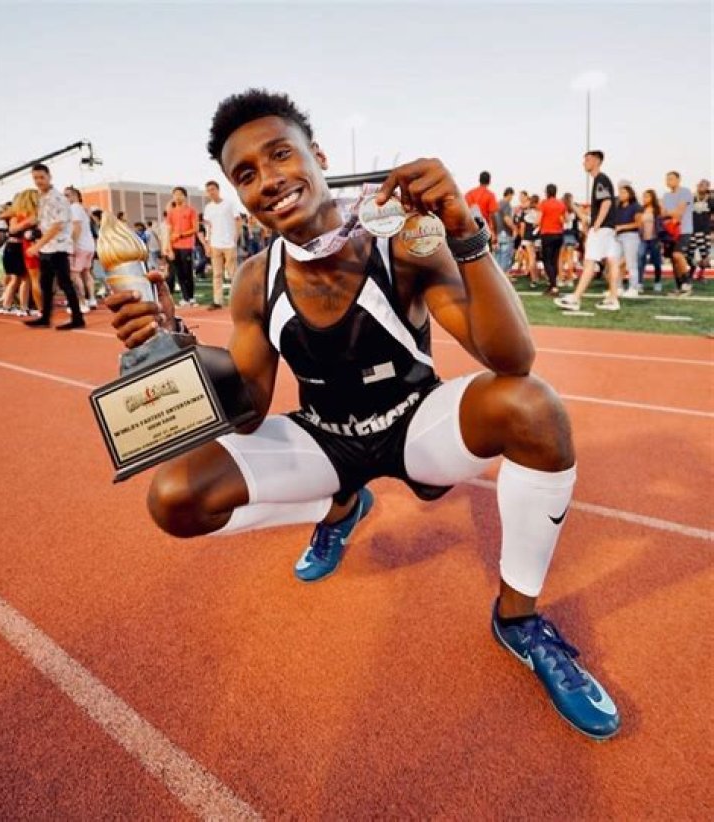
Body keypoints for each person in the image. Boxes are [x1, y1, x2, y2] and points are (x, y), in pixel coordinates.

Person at [106, 89, 620, 740]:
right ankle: (339, 506)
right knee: (176, 498)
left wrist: (465, 233)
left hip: (416, 424)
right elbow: (250, 412)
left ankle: (518, 619)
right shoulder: (256, 279)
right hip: (329, 438)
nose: (268, 180)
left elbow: (511, 357)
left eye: (280, 154)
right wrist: (183, 353)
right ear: (239, 195)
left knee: (533, 406)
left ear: (318, 157)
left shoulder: (400, 241)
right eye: (246, 174)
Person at [555, 151, 620, 312]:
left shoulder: (600, 179)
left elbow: (606, 202)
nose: (584, 163)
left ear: (597, 161)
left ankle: (575, 298)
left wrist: (596, 224)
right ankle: (613, 298)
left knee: (589, 262)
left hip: (602, 228)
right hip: (608, 228)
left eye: (588, 159)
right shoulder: (601, 180)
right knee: (612, 262)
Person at [24, 164, 84, 329]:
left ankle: (77, 318)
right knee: (45, 283)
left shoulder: (58, 198)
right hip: (46, 248)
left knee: (65, 283)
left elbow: (57, 226)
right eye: (35, 178)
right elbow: (43, 222)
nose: (38, 181)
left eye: (41, 177)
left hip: (58, 247)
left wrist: (37, 246)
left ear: (49, 177)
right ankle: (45, 317)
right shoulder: (42, 198)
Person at [203, 180, 238, 310]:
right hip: (215, 243)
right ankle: (217, 301)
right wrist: (207, 243)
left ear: (218, 190)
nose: (211, 192)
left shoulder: (229, 204)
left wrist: (235, 238)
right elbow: (208, 226)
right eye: (208, 190)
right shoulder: (208, 208)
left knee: (232, 273)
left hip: (229, 243)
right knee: (217, 274)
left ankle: (236, 299)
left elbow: (237, 220)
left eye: (213, 189)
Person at [65, 186, 97, 312]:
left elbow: (76, 227)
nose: (64, 198)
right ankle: (92, 299)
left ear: (75, 196)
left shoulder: (74, 208)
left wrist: (72, 244)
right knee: (86, 273)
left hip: (79, 246)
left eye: (67, 195)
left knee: (74, 274)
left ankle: (81, 303)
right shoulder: (83, 209)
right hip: (88, 246)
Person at [661, 171, 693, 295]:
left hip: (684, 230)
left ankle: (687, 282)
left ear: (678, 180)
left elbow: (679, 213)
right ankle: (679, 287)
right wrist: (670, 213)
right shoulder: (666, 196)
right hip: (669, 231)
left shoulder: (685, 192)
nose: (668, 181)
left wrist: (669, 213)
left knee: (677, 255)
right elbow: (662, 213)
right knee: (673, 260)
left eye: (671, 178)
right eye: (667, 179)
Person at [165, 187, 198, 306]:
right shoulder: (171, 213)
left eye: (180, 194)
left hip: (187, 246)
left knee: (188, 271)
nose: (177, 197)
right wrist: (169, 248)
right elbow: (168, 231)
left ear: (185, 196)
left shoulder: (191, 211)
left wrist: (180, 235)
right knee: (179, 273)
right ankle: (185, 297)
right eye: (175, 195)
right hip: (175, 247)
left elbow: (195, 229)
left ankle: (191, 297)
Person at [537, 184, 566, 296]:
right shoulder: (561, 204)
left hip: (547, 234)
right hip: (559, 234)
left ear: (547, 192)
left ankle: (553, 286)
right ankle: (552, 285)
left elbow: (538, 220)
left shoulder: (544, 203)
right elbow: (564, 220)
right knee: (554, 260)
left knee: (547, 261)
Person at [614, 184, 642, 297]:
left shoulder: (636, 207)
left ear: (630, 194)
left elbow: (638, 223)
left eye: (623, 192)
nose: (621, 195)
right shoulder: (618, 207)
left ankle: (633, 288)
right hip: (618, 236)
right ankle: (618, 287)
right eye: (620, 192)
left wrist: (622, 227)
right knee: (617, 263)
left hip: (631, 236)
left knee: (631, 263)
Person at [638, 189, 663, 292]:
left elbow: (660, 225)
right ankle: (640, 283)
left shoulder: (657, 210)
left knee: (656, 262)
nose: (645, 198)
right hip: (643, 239)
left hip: (654, 239)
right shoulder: (641, 210)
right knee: (640, 259)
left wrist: (660, 239)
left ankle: (657, 282)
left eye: (647, 196)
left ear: (652, 198)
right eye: (644, 196)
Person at [464, 171, 499, 239]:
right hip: (484, 232)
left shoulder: (469, 193)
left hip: (469, 232)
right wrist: (495, 232)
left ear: (479, 180)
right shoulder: (490, 195)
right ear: (489, 181)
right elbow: (493, 216)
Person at [690, 179, 712, 280]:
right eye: (699, 184)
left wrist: (712, 231)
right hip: (692, 230)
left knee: (704, 253)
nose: (700, 186)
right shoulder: (692, 198)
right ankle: (691, 273)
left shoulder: (711, 200)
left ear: (707, 187)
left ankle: (700, 274)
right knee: (690, 254)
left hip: (705, 231)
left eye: (703, 185)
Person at [492, 187, 515, 273]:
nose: (512, 198)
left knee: (497, 257)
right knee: (505, 257)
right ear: (509, 194)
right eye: (512, 196)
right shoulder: (506, 204)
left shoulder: (497, 204)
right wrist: (515, 228)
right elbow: (507, 219)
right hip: (506, 233)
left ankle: (496, 277)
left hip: (498, 233)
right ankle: (503, 276)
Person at [559, 193, 580, 286]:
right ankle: (570, 279)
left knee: (560, 258)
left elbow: (561, 221)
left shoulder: (561, 209)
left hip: (562, 234)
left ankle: (560, 279)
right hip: (571, 235)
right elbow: (577, 225)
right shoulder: (574, 210)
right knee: (570, 258)